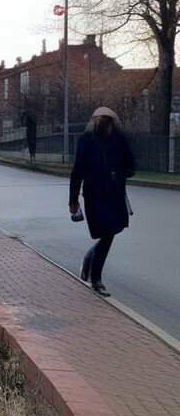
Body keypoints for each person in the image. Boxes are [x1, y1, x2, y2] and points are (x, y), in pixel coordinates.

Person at [69, 107, 135, 297]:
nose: (107, 127)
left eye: (109, 123)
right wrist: (73, 201)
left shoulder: (119, 140)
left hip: (114, 194)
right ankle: (96, 278)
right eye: (104, 123)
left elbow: (131, 166)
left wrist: (118, 173)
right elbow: (77, 172)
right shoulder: (86, 141)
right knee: (105, 232)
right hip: (94, 195)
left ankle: (91, 261)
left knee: (112, 231)